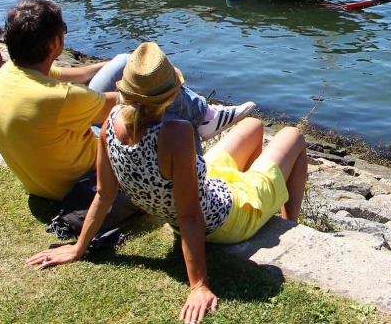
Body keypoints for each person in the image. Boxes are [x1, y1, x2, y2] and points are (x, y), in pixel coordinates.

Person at [30, 42, 308, 324]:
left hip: (204, 192)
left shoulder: (111, 122)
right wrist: (198, 285)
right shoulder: (176, 133)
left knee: (252, 125)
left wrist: (78, 248)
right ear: (174, 95)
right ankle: (286, 223)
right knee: (294, 135)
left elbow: (103, 195)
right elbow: (189, 216)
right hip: (225, 219)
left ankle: (262, 194)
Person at [0, 0, 253, 201]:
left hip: (41, 180)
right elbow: (134, 99)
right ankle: (196, 184)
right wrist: (148, 79)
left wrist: (124, 66)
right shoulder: (63, 99)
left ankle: (204, 115)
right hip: (81, 181)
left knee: (123, 62)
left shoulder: (9, 72)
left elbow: (75, 74)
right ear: (55, 42)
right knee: (168, 112)